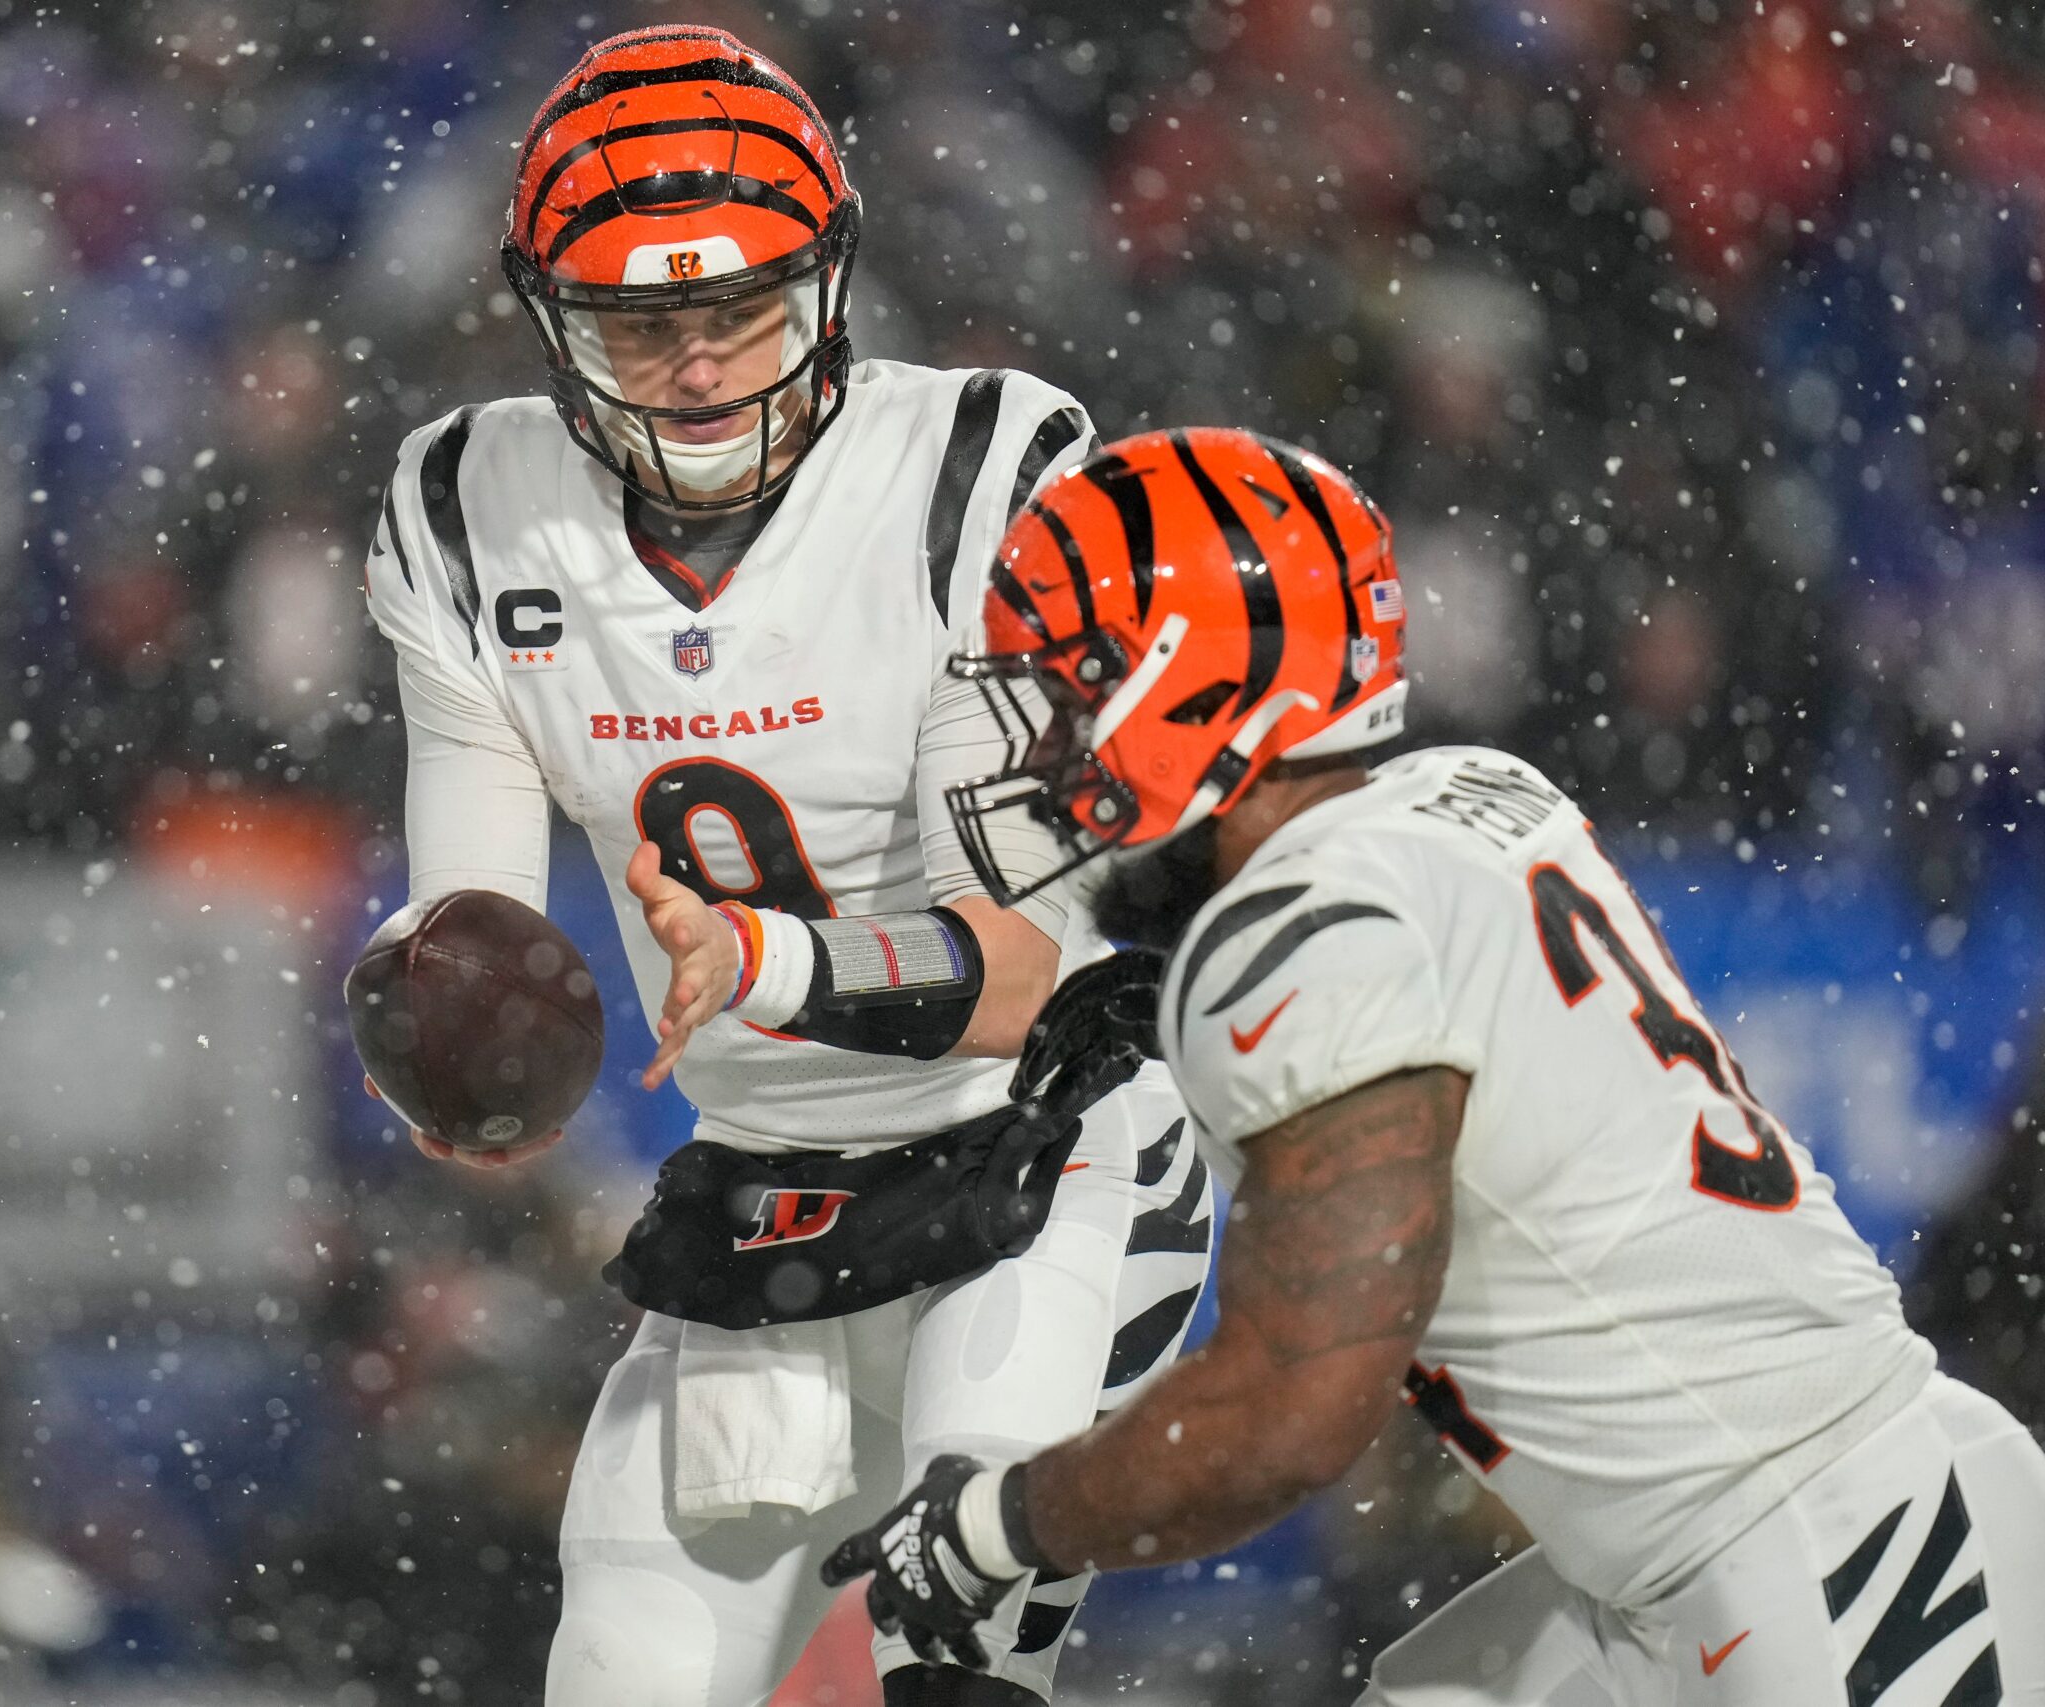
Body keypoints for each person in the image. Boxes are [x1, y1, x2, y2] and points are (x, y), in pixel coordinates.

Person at [822, 426, 2045, 1704]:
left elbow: (1283, 1416)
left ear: (1192, 693)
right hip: (1739, 1533)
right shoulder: (1467, 791)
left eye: (1073, 690)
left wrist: (991, 1526)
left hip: (1835, 1554)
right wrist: (1158, 995)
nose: (1038, 746)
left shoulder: (1303, 940)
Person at [357, 27, 1215, 1704]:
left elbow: (1026, 977)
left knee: (960, 1630)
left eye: (737, 306)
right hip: (779, 1179)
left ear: (827, 281)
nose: (693, 365)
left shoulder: (982, 468)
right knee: (625, 1653)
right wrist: (449, 1038)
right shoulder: (468, 510)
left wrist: (763, 965)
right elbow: (476, 923)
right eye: (640, 321)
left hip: (1047, 1149)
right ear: (548, 318)